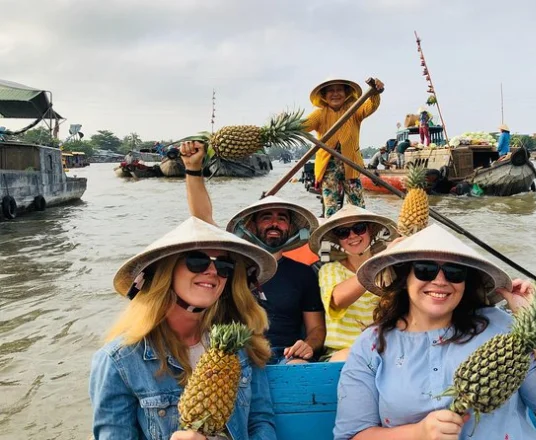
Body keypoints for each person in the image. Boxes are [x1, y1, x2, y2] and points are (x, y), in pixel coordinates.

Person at [334, 224, 536, 439]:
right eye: (425, 269)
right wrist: (418, 433)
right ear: (405, 278)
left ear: (466, 281)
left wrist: (531, 314)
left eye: (454, 272)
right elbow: (353, 435)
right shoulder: (372, 344)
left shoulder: (500, 328)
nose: (440, 280)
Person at [89, 217, 278, 440]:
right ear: (166, 271)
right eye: (197, 260)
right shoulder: (120, 361)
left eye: (224, 265)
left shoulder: (238, 346)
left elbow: (260, 421)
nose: (212, 271)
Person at [179, 142, 326, 365]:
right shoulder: (233, 265)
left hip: (286, 356)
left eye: (282, 218)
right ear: (252, 226)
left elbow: (316, 329)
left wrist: (308, 345)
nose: (275, 223)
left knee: (300, 366)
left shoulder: (303, 273)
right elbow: (203, 222)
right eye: (267, 217)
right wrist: (193, 169)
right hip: (236, 354)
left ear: (290, 228)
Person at [308, 204, 400, 362]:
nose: (352, 235)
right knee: (351, 356)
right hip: (341, 354)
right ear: (338, 239)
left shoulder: (389, 269)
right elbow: (339, 299)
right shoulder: (330, 270)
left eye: (359, 228)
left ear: (370, 230)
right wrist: (377, 263)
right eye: (343, 232)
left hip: (386, 351)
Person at [304, 77, 385, 217]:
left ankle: (359, 227)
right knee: (331, 208)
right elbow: (303, 126)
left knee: (358, 205)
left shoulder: (353, 109)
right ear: (324, 95)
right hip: (329, 169)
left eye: (339, 90)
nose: (335, 94)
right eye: (331, 91)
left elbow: (370, 106)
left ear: (346, 93)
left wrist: (376, 92)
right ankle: (332, 228)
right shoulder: (320, 114)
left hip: (351, 166)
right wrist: (287, 123)